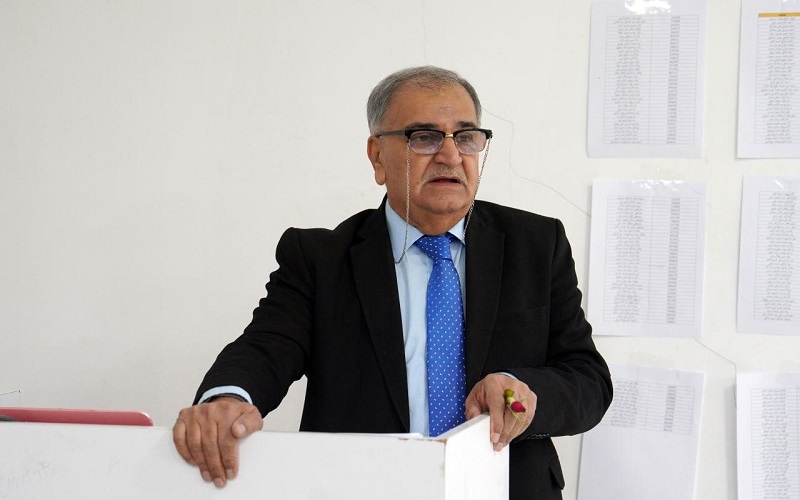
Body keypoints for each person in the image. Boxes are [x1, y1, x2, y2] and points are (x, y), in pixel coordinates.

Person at [173, 66, 612, 500]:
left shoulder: (536, 244)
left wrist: (523, 390)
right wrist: (226, 400)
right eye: (424, 137)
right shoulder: (321, 259)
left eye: (465, 137)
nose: (450, 155)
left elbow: (588, 378)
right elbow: (266, 347)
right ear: (378, 157)